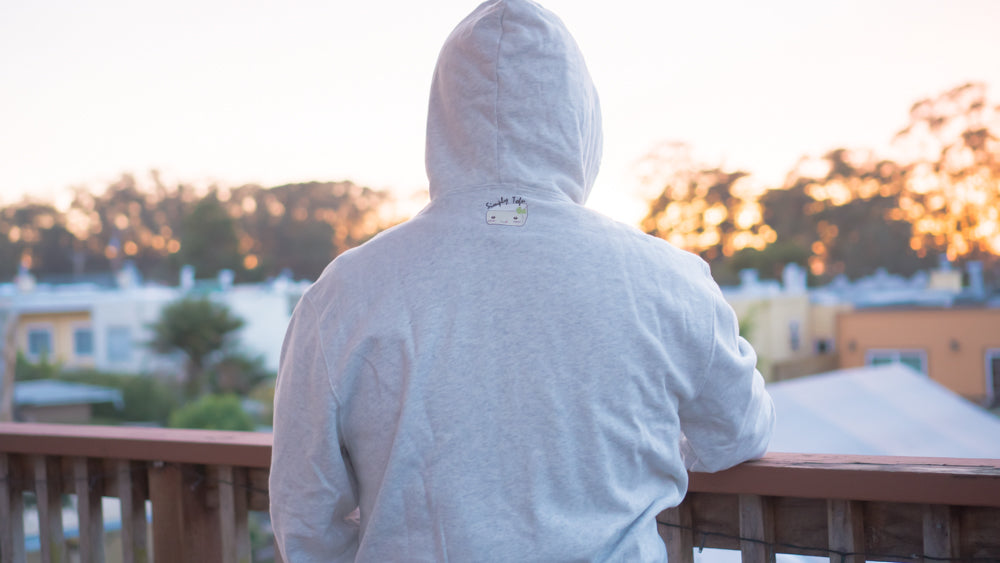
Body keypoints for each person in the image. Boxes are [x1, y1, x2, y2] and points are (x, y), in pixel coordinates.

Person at [269, 0, 775, 561]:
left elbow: (305, 516)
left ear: (444, 118)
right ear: (580, 120)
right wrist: (638, 448)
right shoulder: (670, 281)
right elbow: (738, 434)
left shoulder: (344, 293)